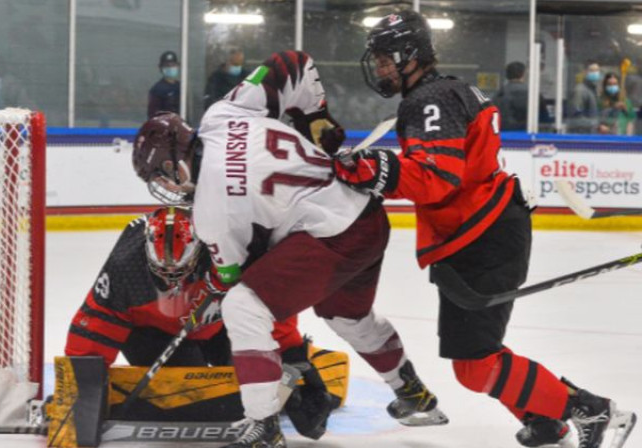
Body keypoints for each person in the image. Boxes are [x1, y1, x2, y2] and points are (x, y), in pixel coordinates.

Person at [335, 10, 637, 448]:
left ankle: (593, 410)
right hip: (481, 233)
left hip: (481, 237)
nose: (380, 67)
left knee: (473, 363)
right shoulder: (446, 91)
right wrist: (378, 171)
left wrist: (374, 168)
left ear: (412, 54)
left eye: (386, 58)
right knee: (481, 349)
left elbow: (438, 176)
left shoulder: (430, 100)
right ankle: (545, 418)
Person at [132, 50, 447, 448]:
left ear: (175, 166)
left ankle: (261, 424)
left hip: (334, 235)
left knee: (242, 307)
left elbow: (238, 279)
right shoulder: (221, 115)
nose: (170, 190)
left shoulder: (213, 210)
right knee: (347, 316)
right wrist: (315, 118)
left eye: (162, 177)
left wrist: (213, 287)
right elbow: (292, 64)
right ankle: (412, 393)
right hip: (364, 213)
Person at [63, 206, 333, 439]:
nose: (171, 279)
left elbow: (268, 301)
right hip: (157, 335)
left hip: (220, 326)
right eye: (163, 271)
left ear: (199, 250)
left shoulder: (227, 249)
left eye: (180, 271)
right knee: (193, 395)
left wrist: (293, 356)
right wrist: (81, 388)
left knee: (254, 381)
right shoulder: (125, 267)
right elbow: (96, 324)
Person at [494, 61, 552, 131]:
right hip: (527, 135)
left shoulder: (499, 94)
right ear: (523, 75)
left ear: (507, 75)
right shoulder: (533, 94)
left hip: (504, 134)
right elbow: (544, 119)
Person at [568, 60, 601, 133]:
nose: (595, 73)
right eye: (592, 70)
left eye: (597, 70)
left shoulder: (592, 90)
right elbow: (576, 117)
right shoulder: (580, 91)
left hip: (591, 134)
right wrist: (595, 124)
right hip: (582, 136)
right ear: (585, 72)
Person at [147, 51, 180, 118]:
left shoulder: (181, 87)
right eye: (167, 66)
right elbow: (153, 115)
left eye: (173, 65)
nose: (170, 68)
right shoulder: (157, 89)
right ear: (161, 68)